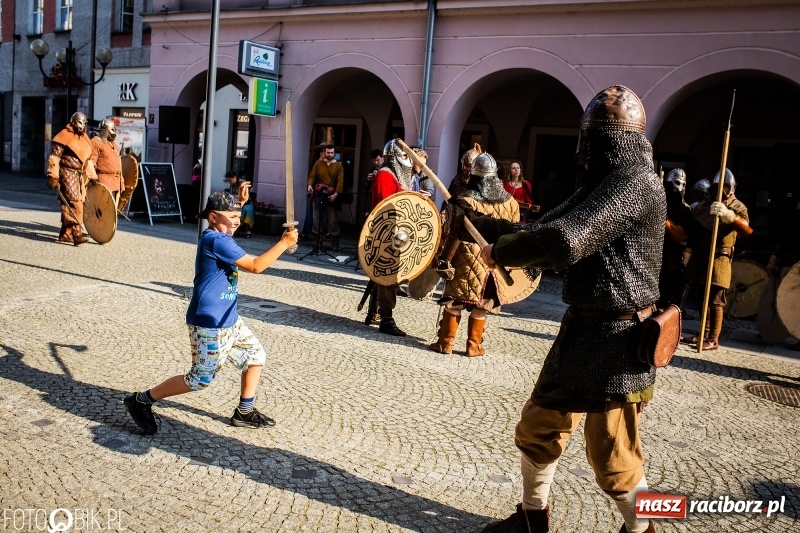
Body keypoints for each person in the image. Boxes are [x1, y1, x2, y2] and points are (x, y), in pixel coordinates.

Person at [473, 86, 664, 533]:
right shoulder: (604, 182)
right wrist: (491, 224)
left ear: (602, 140)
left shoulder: (634, 185)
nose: (588, 151)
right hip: (583, 331)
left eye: (594, 141)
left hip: (618, 340)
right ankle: (531, 518)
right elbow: (551, 224)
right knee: (538, 426)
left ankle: (647, 529)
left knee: (616, 458)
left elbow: (563, 241)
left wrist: (502, 250)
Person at [124, 185, 299, 435]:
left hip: (230, 320)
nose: (237, 222)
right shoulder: (215, 239)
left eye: (240, 217)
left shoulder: (221, 236)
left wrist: (238, 202)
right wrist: (284, 243)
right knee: (199, 380)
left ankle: (244, 412)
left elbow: (229, 227)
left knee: (255, 356)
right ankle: (141, 400)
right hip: (209, 323)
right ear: (213, 218)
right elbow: (256, 266)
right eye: (233, 218)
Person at [429, 152, 520, 357]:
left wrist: (445, 259)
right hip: (492, 261)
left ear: (475, 176)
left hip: (465, 259)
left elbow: (455, 234)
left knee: (454, 302)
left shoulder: (464, 200)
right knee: (482, 305)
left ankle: (445, 343)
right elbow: (512, 234)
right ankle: (473, 346)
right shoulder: (511, 203)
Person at [681, 168, 751, 350]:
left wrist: (730, 216)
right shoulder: (707, 205)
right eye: (719, 186)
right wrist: (689, 251)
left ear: (732, 187)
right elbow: (695, 230)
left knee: (716, 300)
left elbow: (747, 230)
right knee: (702, 298)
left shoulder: (738, 207)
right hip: (703, 256)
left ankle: (713, 338)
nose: (722, 189)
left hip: (720, 257)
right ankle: (702, 334)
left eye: (726, 186)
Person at [363, 139, 415, 336]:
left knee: (380, 276)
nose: (406, 159)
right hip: (387, 233)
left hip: (396, 233)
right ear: (395, 157)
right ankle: (386, 318)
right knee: (387, 276)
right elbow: (388, 209)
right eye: (404, 155)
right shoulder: (385, 175)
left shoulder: (393, 175)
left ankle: (373, 313)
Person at [47, 112, 97, 246]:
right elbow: (54, 157)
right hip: (66, 172)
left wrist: (92, 176)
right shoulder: (64, 135)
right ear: (74, 122)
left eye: (85, 123)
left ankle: (65, 234)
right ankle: (77, 234)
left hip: (79, 175)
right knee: (75, 203)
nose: (83, 126)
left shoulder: (84, 138)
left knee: (73, 202)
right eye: (81, 122)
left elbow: (87, 160)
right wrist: (53, 176)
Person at [657, 168, 690, 309]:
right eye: (676, 183)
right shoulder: (658, 202)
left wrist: (664, 220)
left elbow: (682, 236)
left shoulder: (685, 210)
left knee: (668, 305)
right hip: (653, 256)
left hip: (672, 261)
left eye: (682, 184)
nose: (679, 187)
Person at [307, 144, 343, 250]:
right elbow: (312, 176)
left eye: (332, 153)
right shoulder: (318, 164)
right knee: (316, 219)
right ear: (325, 152)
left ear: (334, 153)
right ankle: (318, 241)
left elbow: (340, 181)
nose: (330, 154)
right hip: (318, 194)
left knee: (332, 220)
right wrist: (310, 185)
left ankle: (335, 243)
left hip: (331, 195)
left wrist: (336, 194)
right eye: (328, 152)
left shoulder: (338, 166)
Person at [90, 117, 125, 200]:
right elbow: (91, 162)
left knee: (113, 211)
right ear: (105, 129)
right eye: (112, 129)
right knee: (102, 209)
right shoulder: (96, 142)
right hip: (103, 182)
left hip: (115, 182)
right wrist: (93, 177)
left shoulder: (113, 145)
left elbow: (118, 164)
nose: (114, 132)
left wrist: (121, 180)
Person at [223, 170, 255, 238]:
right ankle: (233, 229)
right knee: (232, 211)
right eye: (228, 181)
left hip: (247, 203)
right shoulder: (232, 185)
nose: (230, 182)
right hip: (237, 202)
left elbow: (245, 195)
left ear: (235, 177)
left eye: (230, 180)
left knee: (246, 210)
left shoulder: (242, 183)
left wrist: (235, 196)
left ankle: (247, 230)